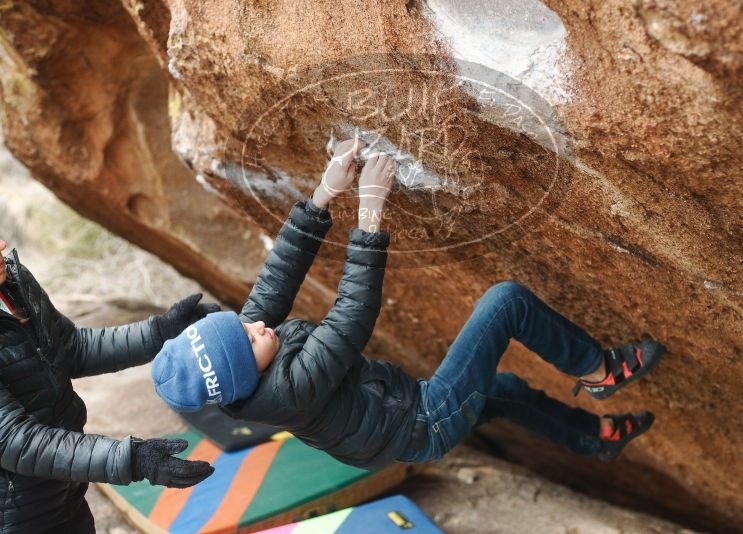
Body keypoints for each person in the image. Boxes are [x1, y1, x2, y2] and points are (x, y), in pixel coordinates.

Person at [152, 137, 665, 472]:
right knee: (505, 302)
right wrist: (370, 213)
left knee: (502, 390)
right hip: (423, 419)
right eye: (245, 339)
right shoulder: (289, 388)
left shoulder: (246, 353)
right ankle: (598, 371)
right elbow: (351, 316)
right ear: (243, 375)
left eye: (238, 326)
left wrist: (321, 197)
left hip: (390, 427)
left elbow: (276, 278)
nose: (254, 327)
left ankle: (593, 438)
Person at [0, 241, 217, 533]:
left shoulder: (12, 282)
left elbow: (70, 347)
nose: (2, 245)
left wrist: (159, 332)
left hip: (65, 494)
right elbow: (16, 440)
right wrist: (133, 459)